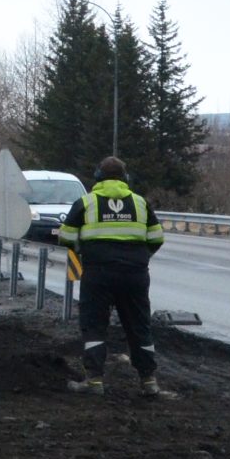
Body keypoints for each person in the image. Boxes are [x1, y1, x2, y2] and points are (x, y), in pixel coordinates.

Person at [57, 154, 165, 398]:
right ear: (125, 178)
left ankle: (94, 380)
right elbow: (157, 238)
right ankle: (149, 381)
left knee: (94, 325)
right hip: (135, 275)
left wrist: (85, 251)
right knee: (139, 326)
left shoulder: (86, 203)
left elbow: (66, 237)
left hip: (98, 273)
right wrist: (139, 257)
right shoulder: (140, 203)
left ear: (98, 177)